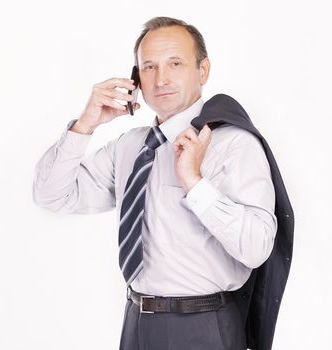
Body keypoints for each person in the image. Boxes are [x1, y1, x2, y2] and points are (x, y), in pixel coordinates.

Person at [33, 17, 282, 350]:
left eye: (175, 63)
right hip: (135, 321)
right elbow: (51, 195)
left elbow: (257, 248)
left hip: (205, 326)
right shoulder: (129, 146)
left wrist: (194, 183)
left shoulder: (233, 144)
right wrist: (85, 125)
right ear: (136, 78)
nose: (161, 78)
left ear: (203, 71)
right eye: (148, 67)